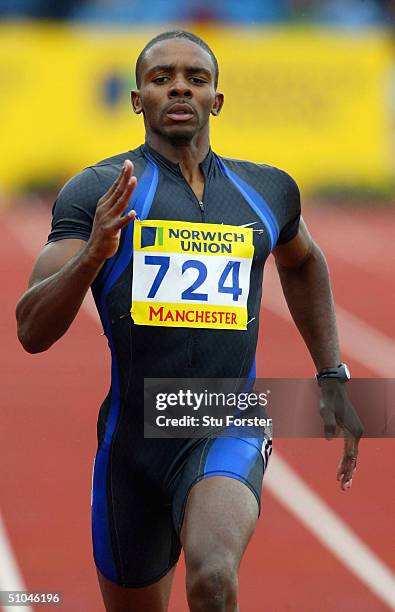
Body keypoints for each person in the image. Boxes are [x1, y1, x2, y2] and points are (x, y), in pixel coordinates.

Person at [16, 30, 363, 612]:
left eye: (196, 79)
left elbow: (303, 261)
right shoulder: (100, 192)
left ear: (216, 100)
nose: (180, 87)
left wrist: (331, 372)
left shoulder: (266, 191)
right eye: (161, 78)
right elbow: (30, 329)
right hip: (133, 444)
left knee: (213, 577)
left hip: (227, 418)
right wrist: (91, 255)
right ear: (137, 99)